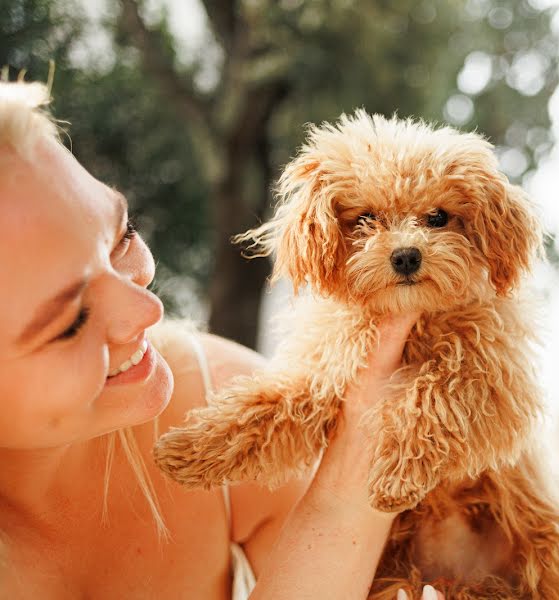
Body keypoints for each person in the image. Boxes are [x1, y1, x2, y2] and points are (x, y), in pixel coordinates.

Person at [0, 79, 442, 600]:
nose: (150, 310)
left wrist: (356, 460)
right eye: (70, 322)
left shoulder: (225, 403)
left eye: (123, 236)